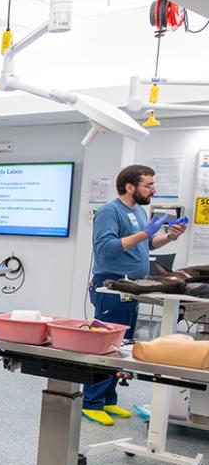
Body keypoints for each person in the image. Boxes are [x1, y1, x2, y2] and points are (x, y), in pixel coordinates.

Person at [84, 164, 187, 425]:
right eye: (148, 185)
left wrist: (169, 237)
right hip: (111, 286)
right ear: (130, 187)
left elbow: (147, 243)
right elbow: (106, 249)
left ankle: (109, 400)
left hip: (132, 286)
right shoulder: (109, 212)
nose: (154, 189)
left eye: (153, 184)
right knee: (106, 346)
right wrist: (145, 232)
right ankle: (91, 402)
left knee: (122, 345)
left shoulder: (138, 211)